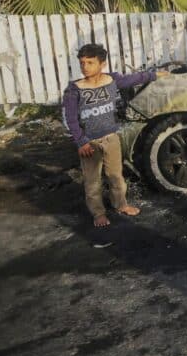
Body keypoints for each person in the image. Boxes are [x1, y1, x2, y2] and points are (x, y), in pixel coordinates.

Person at [63, 43, 167, 227]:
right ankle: (98, 213)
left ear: (102, 64)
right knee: (92, 180)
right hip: (90, 143)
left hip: (111, 138)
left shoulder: (112, 80)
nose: (85, 67)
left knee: (115, 175)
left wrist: (156, 75)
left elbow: (134, 78)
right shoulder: (74, 90)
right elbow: (71, 119)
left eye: (90, 62)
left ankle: (121, 205)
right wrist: (81, 142)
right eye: (82, 63)